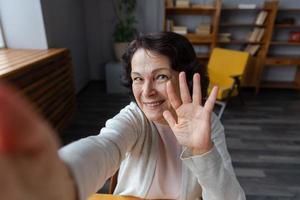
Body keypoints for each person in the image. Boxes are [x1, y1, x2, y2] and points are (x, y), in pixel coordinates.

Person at [0, 32, 245, 200]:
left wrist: (203, 151)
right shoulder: (134, 118)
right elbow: (104, 146)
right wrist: (56, 181)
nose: (146, 91)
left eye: (160, 76)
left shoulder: (209, 125)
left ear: (186, 78)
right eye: (138, 78)